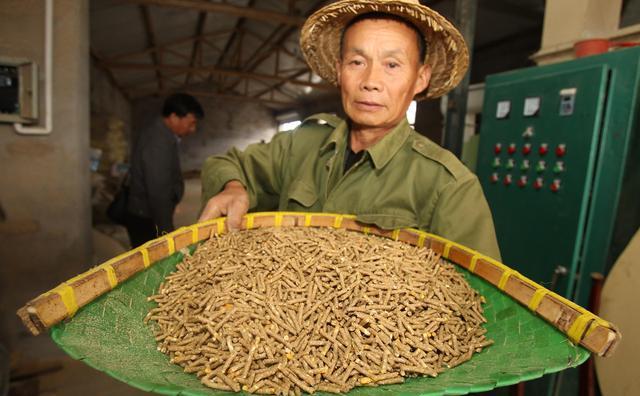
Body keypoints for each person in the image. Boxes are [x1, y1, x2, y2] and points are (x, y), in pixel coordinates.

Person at [199, 0, 501, 259]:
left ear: (420, 78)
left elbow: (478, 300)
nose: (371, 80)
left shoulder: (449, 186)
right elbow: (225, 164)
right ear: (339, 68)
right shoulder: (300, 145)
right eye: (357, 61)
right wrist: (234, 188)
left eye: (392, 65)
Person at [125, 93, 204, 247]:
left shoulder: (163, 134)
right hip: (146, 216)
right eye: (191, 123)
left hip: (148, 212)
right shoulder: (157, 141)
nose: (192, 129)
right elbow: (158, 189)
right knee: (151, 261)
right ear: (174, 117)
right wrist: (165, 230)